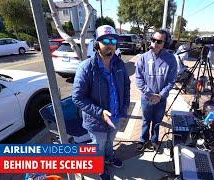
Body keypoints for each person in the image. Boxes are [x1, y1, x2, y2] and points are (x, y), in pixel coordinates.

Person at [72, 25, 130, 180]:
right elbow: (77, 97)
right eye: (105, 40)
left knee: (110, 141)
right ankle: (99, 167)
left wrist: (124, 108)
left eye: (113, 40)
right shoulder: (86, 67)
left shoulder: (119, 64)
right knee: (99, 146)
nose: (110, 43)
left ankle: (109, 158)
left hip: (116, 116)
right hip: (97, 120)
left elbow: (126, 85)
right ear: (97, 43)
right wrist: (99, 112)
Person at [135, 29, 178, 151]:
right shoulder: (143, 58)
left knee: (157, 122)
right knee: (145, 121)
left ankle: (154, 140)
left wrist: (160, 95)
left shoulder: (171, 59)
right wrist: (149, 94)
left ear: (165, 43)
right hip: (146, 98)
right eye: (153, 40)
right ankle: (143, 140)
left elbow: (172, 80)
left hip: (161, 99)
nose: (155, 43)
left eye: (159, 41)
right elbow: (138, 79)